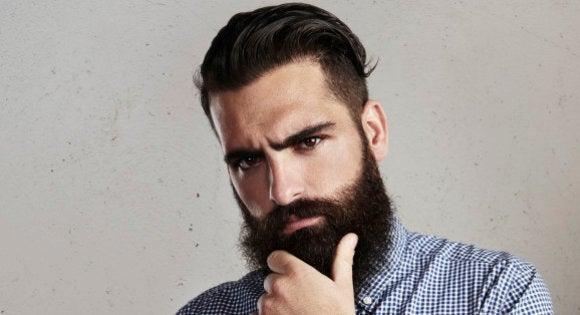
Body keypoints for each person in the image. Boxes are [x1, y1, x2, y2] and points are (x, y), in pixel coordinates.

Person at [177, 3, 553, 314]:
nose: (283, 191)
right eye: (247, 162)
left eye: (308, 141)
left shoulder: (496, 294)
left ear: (373, 132)